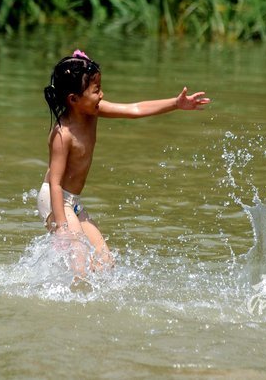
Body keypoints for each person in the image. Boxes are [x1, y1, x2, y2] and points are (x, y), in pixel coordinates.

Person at [38, 49, 210, 273]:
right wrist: (62, 227)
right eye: (96, 90)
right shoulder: (63, 134)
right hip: (55, 198)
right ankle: (67, 303)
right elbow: (56, 184)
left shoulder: (93, 112)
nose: (101, 95)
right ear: (74, 99)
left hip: (73, 200)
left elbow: (135, 109)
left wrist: (176, 104)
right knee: (78, 259)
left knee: (105, 262)